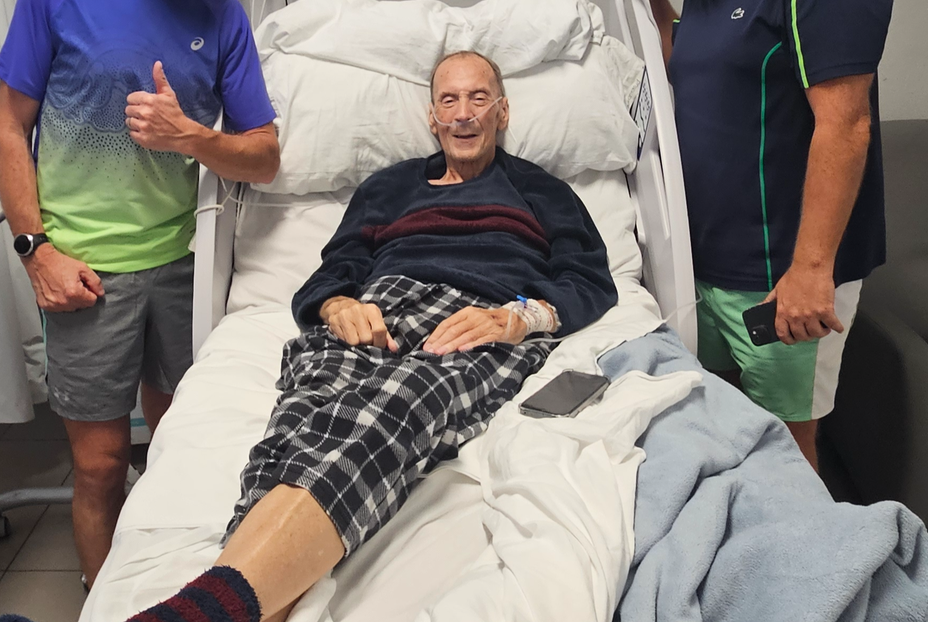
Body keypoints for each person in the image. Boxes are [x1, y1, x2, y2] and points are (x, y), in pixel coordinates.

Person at [124, 51, 617, 622]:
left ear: (501, 112)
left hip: (472, 320)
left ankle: (201, 610)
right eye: (449, 100)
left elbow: (589, 279)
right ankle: (219, 609)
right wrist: (336, 304)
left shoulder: (542, 192)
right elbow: (337, 267)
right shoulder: (388, 187)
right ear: (432, 117)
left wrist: (523, 317)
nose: (463, 113)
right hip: (378, 312)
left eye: (478, 98)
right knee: (299, 424)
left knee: (403, 400)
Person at [0, 0, 280, 586]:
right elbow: (8, 130)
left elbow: (264, 156)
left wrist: (193, 138)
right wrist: (35, 251)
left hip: (181, 268)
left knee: (181, 449)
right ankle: (102, 596)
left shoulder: (220, 12)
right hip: (84, 268)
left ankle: (166, 589)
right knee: (101, 463)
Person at [613, 0, 891, 470]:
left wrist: (811, 271)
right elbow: (691, 63)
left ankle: (807, 544)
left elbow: (846, 123)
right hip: (708, 268)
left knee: (785, 447)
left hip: (780, 278)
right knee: (716, 435)